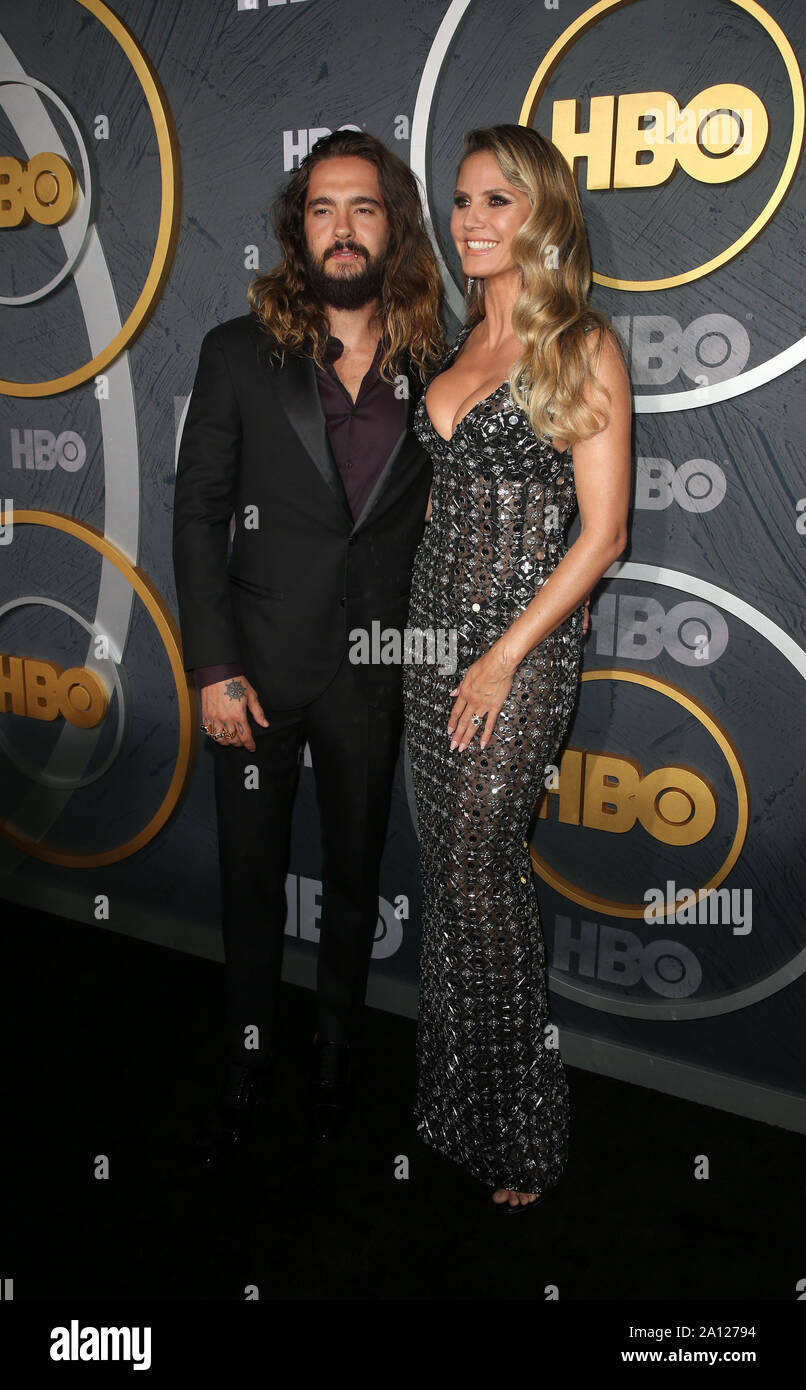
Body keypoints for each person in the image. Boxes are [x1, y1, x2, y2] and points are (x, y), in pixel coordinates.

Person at [172, 130, 444, 1159]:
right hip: (252, 673)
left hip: (371, 676)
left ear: (392, 226)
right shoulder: (236, 354)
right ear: (299, 229)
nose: (342, 228)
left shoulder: (437, 365)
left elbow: (488, 494)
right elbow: (197, 514)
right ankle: (250, 1052)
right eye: (323, 209)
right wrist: (209, 665)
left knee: (351, 879)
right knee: (246, 879)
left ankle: (334, 1054)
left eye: (363, 208)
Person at [403, 125, 631, 1212]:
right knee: (443, 885)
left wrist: (498, 654)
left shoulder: (576, 343)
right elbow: (448, 497)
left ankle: (522, 1132)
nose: (469, 220)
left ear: (539, 214)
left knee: (477, 881)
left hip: (517, 650)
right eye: (459, 200)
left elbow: (602, 535)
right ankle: (455, 1107)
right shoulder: (457, 347)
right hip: (429, 640)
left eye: (496, 200)